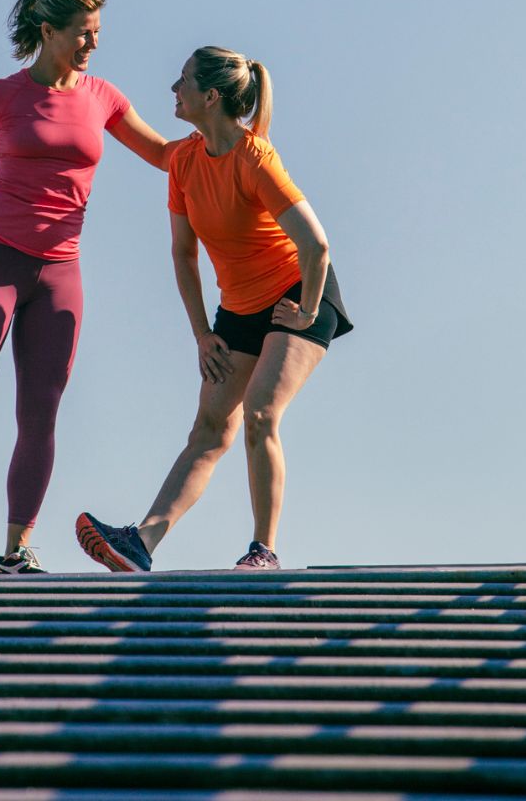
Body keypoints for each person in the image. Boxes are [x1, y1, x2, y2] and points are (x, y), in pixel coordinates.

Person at [0, 0, 178, 575]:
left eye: (97, 34)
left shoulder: (103, 97)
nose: (92, 44)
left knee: (41, 410)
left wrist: (227, 143)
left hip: (61, 269)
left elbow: (165, 156)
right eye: (83, 34)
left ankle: (16, 550)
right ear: (49, 31)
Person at [76, 46, 352, 572]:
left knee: (261, 414)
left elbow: (316, 246)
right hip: (238, 308)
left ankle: (263, 551)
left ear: (210, 96)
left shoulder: (256, 159)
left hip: (299, 294)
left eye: (181, 82)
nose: (172, 91)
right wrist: (203, 333)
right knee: (208, 432)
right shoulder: (183, 160)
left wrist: (307, 310)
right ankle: (141, 545)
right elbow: (183, 254)